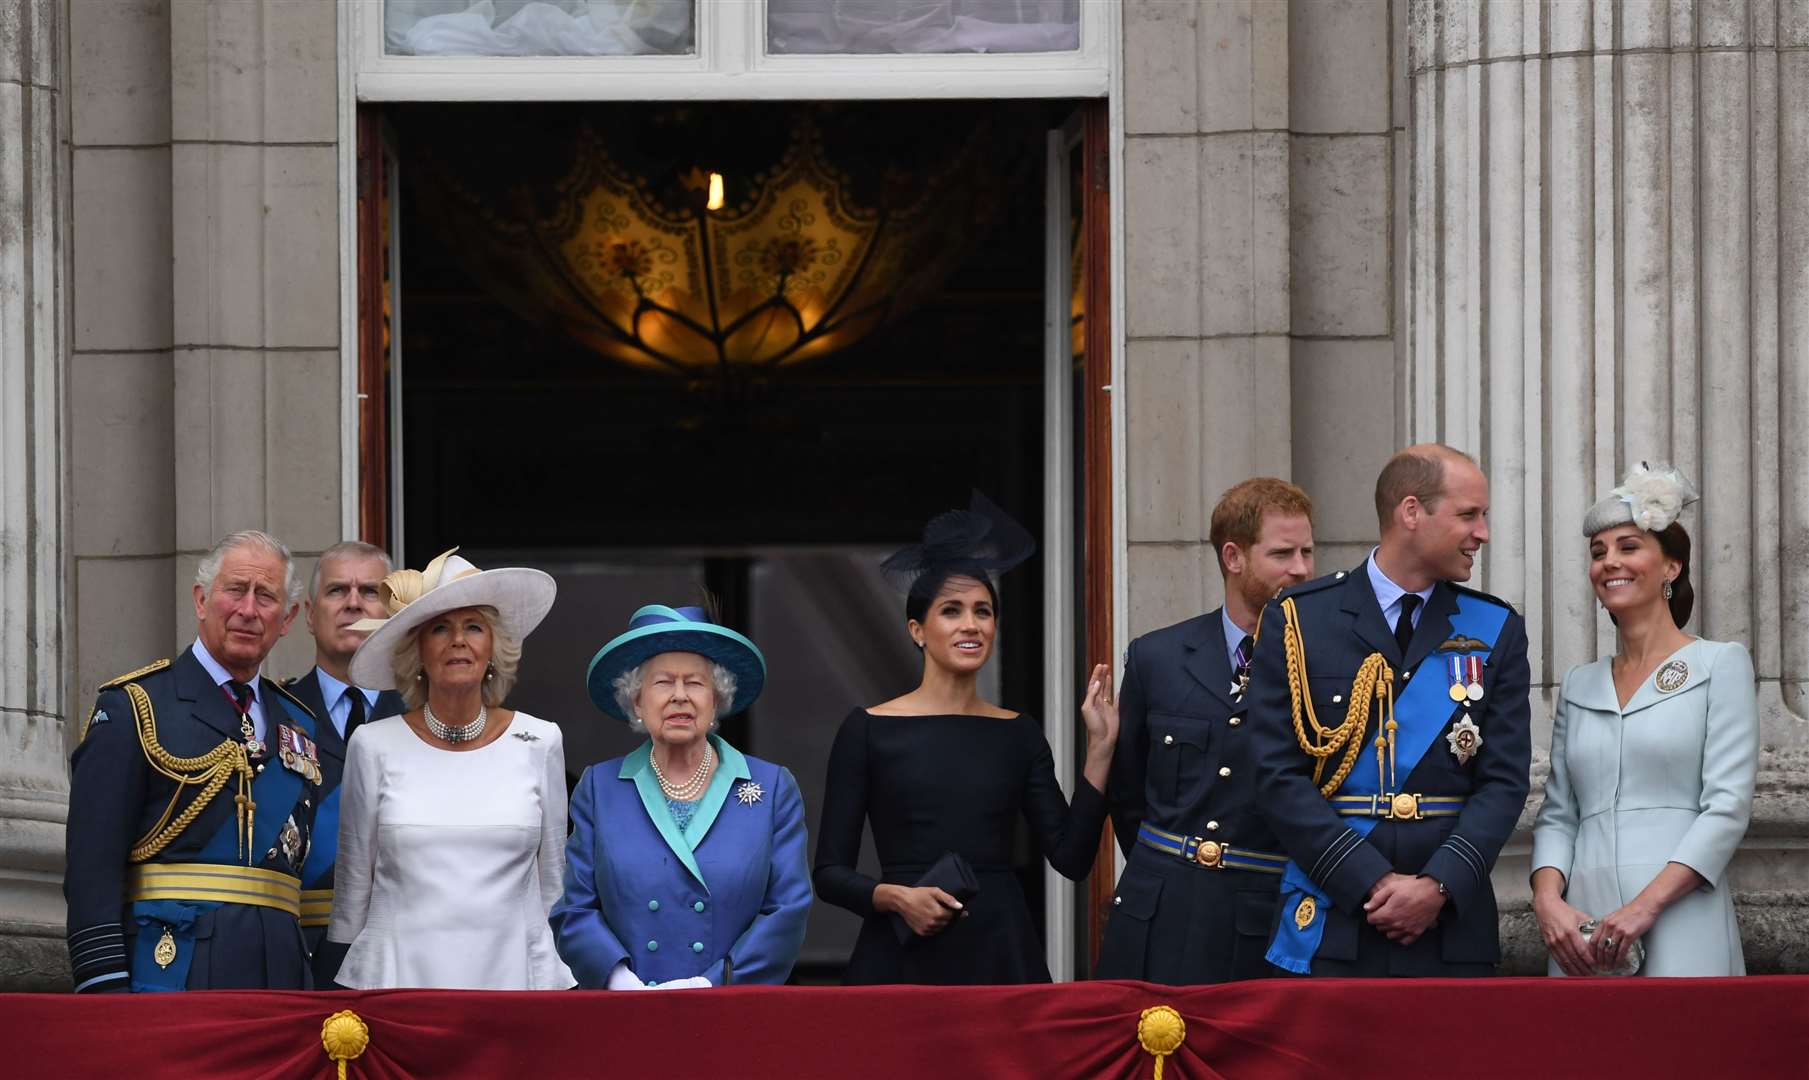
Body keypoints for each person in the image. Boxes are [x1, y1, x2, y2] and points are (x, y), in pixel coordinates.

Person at [1249, 445, 1531, 977]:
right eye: (1468, 515)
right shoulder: (1300, 621)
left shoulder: (1496, 627)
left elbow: (1504, 782)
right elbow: (1274, 774)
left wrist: (1437, 885)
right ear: (1410, 513)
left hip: (1449, 926)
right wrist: (1369, 881)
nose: (1483, 533)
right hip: (1335, 915)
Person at [813, 492, 1118, 984]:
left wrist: (1100, 751)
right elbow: (829, 873)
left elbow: (1072, 857)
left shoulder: (1017, 732)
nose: (971, 624)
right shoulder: (867, 729)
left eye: (983, 611)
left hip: (999, 952)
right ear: (918, 629)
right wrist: (898, 898)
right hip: (901, 950)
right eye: (951, 611)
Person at [64, 530, 322, 992]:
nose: (248, 609)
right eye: (235, 589)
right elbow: (91, 869)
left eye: (266, 596)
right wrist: (104, 988)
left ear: (287, 619)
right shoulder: (136, 706)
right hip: (172, 972)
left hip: (280, 978)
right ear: (201, 599)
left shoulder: (300, 724)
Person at [1531, 464, 1757, 977]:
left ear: (1671, 566)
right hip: (1580, 925)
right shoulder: (1579, 684)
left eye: (1628, 546)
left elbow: (1726, 809)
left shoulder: (1718, 664)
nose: (1609, 561)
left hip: (1681, 913)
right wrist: (1548, 902)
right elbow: (1559, 814)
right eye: (1598, 552)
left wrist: (1645, 906)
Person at [1098, 478, 1315, 983]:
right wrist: (1173, 868)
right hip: (1163, 910)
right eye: (1283, 553)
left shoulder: (1331, 664)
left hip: (1268, 917)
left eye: (1307, 551)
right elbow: (1128, 791)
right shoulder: (1159, 657)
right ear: (1233, 557)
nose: (1302, 568)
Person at [326, 547, 574, 989]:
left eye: (474, 627)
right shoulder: (373, 744)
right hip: (397, 988)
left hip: (514, 985)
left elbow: (553, 887)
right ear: (417, 651)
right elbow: (352, 897)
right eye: (441, 628)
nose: (458, 640)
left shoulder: (541, 740)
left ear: (493, 648)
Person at [552, 605, 812, 988]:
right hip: (627, 1011)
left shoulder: (772, 787)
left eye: (694, 683)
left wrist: (711, 984)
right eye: (662, 683)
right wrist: (618, 980)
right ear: (637, 702)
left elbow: (787, 911)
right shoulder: (600, 787)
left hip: (731, 1010)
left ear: (717, 699)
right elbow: (574, 909)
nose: (679, 697)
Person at [285, 540, 407, 986]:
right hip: (301, 959)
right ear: (310, 615)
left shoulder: (426, 720)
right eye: (338, 591)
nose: (354, 602)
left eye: (370, 591)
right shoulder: (270, 715)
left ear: (394, 616)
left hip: (404, 957)